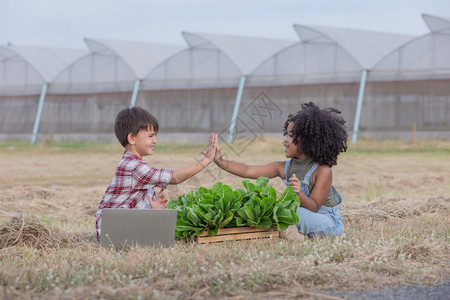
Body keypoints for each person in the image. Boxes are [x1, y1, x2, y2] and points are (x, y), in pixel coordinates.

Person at [214, 102, 348, 238]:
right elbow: (248, 170)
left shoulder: (322, 171)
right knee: (282, 211)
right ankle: (299, 234)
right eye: (286, 135)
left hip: (328, 222)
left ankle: (300, 233)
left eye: (290, 136)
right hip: (305, 216)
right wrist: (221, 162)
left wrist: (299, 194)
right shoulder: (283, 167)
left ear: (307, 141)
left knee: (294, 213)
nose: (285, 140)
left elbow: (314, 207)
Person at [96, 106, 216, 241]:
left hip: (114, 227)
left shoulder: (132, 163)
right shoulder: (134, 167)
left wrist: (152, 208)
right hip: (112, 231)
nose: (155, 140)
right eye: (151, 136)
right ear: (132, 138)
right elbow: (174, 178)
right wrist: (206, 161)